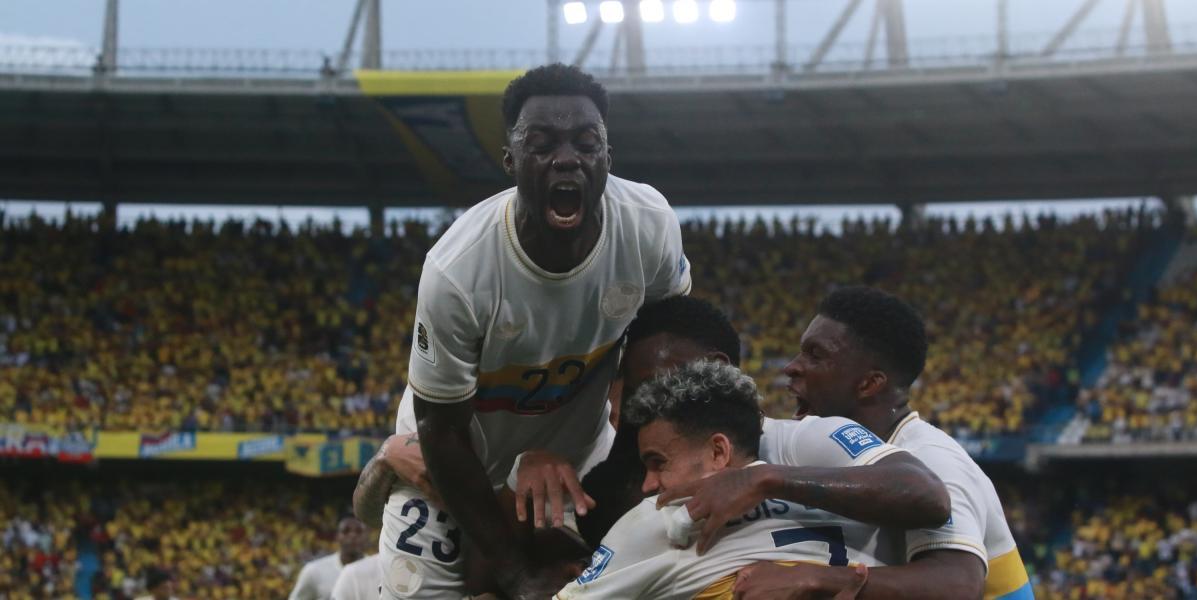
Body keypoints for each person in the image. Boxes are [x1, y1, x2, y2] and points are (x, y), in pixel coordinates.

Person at [378, 63, 693, 600]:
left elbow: (663, 358)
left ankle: (384, 460)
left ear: (607, 158)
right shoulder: (458, 270)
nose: (566, 158)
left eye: (586, 142)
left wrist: (619, 483)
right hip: (453, 468)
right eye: (542, 143)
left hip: (576, 464)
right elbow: (444, 432)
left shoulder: (647, 225)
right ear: (511, 160)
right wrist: (517, 574)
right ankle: (392, 465)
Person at [689, 286, 1031, 599]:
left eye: (815, 355)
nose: (792, 367)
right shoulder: (845, 454)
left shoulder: (930, 459)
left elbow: (958, 585)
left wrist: (814, 578)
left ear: (869, 384)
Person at [555, 360, 888, 599]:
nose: (649, 485)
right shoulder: (845, 506)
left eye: (658, 462)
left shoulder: (664, 519)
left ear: (718, 452)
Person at [289, 516, 369, 600]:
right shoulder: (314, 571)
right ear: (337, 536)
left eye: (359, 531)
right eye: (346, 531)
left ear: (367, 536)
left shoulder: (380, 569)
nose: (353, 535)